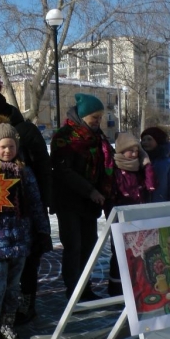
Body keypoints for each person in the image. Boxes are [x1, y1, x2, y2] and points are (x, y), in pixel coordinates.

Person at [0, 74, 53, 325]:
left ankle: (25, 308)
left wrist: (45, 204)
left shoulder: (24, 132)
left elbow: (43, 167)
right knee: (2, 272)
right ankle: (1, 315)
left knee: (27, 263)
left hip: (25, 212)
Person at [51, 93, 115, 301]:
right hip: (68, 201)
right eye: (94, 117)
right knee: (74, 246)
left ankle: (85, 287)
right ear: (83, 115)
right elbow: (64, 172)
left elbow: (109, 161)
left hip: (89, 203)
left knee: (89, 244)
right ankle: (73, 291)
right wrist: (90, 190)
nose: (98, 122)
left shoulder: (98, 137)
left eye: (99, 117)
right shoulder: (65, 137)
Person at [107, 132, 157, 296]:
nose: (134, 154)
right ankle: (116, 289)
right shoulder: (114, 169)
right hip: (120, 219)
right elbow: (110, 194)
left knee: (138, 252)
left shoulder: (139, 169)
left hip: (138, 216)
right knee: (120, 254)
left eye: (137, 150)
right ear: (121, 151)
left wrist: (147, 164)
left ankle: (137, 286)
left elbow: (151, 186)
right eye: (130, 150)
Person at [140, 126, 170, 203]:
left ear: (158, 141)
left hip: (162, 207)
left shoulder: (168, 163)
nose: (145, 142)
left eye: (149, 139)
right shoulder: (138, 160)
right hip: (141, 208)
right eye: (143, 140)